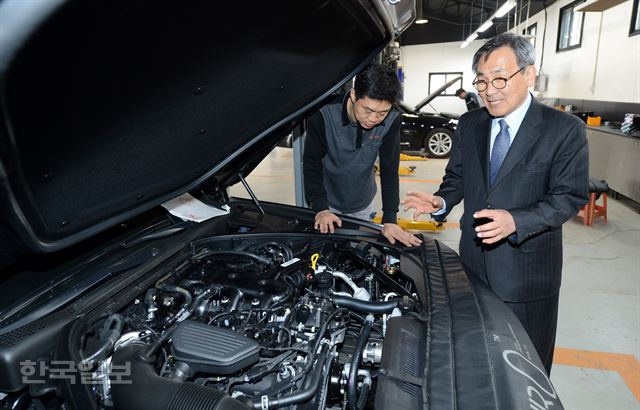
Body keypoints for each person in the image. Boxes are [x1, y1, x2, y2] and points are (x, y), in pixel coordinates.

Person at [402, 33, 588, 374]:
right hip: (472, 265)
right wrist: (441, 201)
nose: (489, 90)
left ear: (529, 74)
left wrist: (517, 221)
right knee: (476, 359)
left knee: (525, 368)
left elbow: (569, 197)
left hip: (527, 273)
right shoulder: (470, 124)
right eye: (482, 81)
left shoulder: (564, 129)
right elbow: (457, 178)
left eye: (500, 78)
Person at [303, 63, 421, 247]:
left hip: (362, 203)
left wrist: (390, 218)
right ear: (353, 94)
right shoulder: (323, 114)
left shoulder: (392, 119)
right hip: (327, 201)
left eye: (382, 112)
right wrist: (321, 208)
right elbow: (312, 162)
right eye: (368, 110)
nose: (374, 119)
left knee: (357, 253)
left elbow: (389, 169)